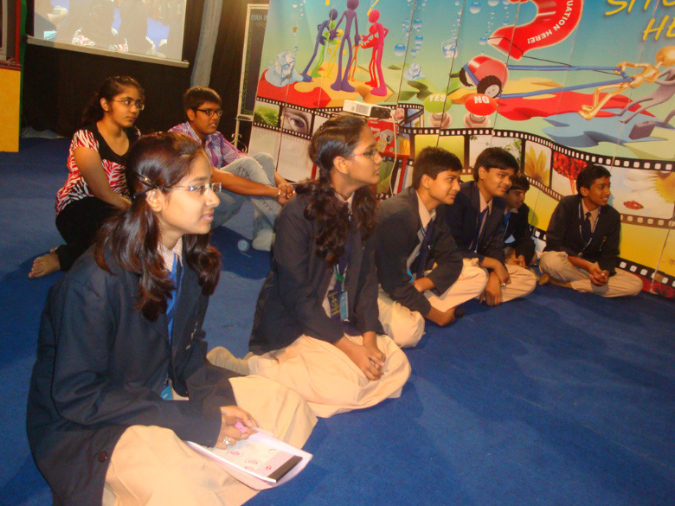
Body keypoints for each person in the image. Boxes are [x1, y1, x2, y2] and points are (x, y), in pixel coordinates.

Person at [26, 132, 317, 506]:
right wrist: (195, 420)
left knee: (285, 403)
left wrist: (213, 405)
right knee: (179, 483)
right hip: (92, 422)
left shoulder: (191, 255)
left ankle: (191, 469)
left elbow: (190, 349)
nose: (214, 199)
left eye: (211, 186)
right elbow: (78, 398)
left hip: (158, 390)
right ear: (155, 197)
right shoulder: (95, 283)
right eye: (198, 188)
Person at [211, 115, 411, 418]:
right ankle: (251, 367)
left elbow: (367, 279)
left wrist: (369, 337)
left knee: (396, 364)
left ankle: (314, 373)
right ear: (342, 164)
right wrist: (350, 349)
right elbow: (297, 297)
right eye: (370, 151)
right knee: (347, 387)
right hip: (301, 326)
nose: (379, 158)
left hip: (341, 318)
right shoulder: (298, 212)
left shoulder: (362, 206)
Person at [29, 76, 144, 279]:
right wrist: (138, 213)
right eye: (126, 102)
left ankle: (95, 249)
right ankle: (64, 257)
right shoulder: (86, 137)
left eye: (137, 104)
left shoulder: (135, 135)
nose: (133, 109)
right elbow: (101, 192)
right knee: (115, 231)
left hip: (120, 208)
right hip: (80, 208)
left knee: (131, 240)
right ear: (105, 104)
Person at [374, 147, 487, 348]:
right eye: (450, 179)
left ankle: (412, 304)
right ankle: (413, 308)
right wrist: (437, 316)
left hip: (407, 281)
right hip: (376, 286)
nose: (457, 187)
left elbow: (452, 260)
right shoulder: (399, 214)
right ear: (426, 181)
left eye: (458, 180)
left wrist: (420, 285)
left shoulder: (436, 209)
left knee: (478, 276)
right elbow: (393, 283)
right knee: (409, 333)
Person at [169, 86, 294, 251]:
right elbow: (211, 175)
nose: (214, 117)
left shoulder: (215, 137)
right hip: (192, 215)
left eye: (217, 112)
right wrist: (274, 192)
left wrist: (282, 183)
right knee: (247, 165)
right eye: (208, 112)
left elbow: (246, 159)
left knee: (264, 158)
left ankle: (265, 233)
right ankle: (289, 228)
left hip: (214, 206)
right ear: (191, 114)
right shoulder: (177, 138)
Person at [445, 147, 537, 306]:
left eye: (510, 177)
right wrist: (495, 265)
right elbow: (452, 249)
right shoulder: (460, 197)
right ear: (482, 172)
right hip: (454, 261)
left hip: (478, 265)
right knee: (478, 275)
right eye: (501, 175)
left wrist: (494, 274)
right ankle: (478, 288)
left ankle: (476, 290)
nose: (507, 182)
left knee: (528, 279)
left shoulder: (499, 202)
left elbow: (496, 245)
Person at [539, 163, 643, 297]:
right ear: (584, 191)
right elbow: (553, 242)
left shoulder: (612, 216)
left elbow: (610, 252)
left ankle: (564, 283)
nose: (608, 192)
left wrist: (604, 274)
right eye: (601, 187)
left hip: (591, 267)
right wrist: (586, 266)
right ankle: (594, 285)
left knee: (635, 284)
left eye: (608, 186)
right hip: (567, 262)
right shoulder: (568, 204)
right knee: (551, 262)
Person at [503, 172, 537, 267]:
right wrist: (504, 258)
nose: (522, 198)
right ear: (505, 192)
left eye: (524, 193)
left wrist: (521, 256)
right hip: (487, 250)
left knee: (532, 256)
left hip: (504, 247)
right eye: (517, 193)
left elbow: (524, 237)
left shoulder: (522, 209)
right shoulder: (494, 206)